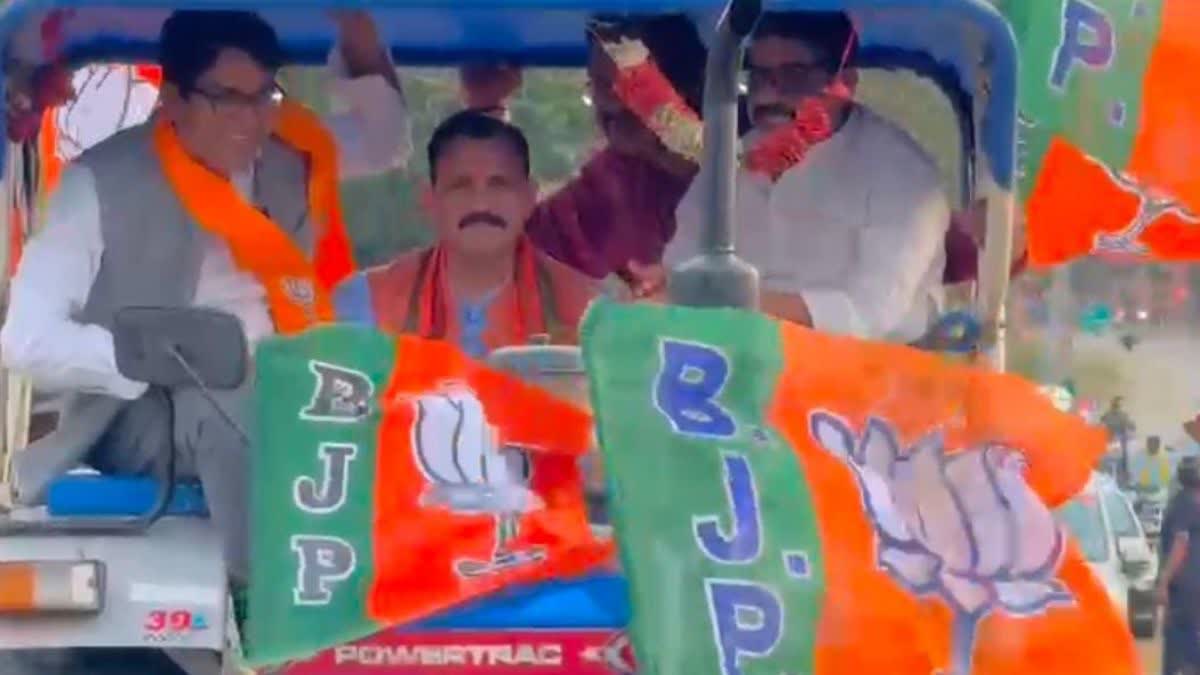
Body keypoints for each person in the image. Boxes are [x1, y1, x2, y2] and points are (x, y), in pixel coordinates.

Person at [0, 10, 411, 583]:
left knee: (403, 399)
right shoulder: (100, 182)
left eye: (262, 96)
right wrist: (149, 357)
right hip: (142, 409)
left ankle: (420, 607)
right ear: (172, 97)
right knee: (231, 406)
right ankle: (269, 601)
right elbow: (25, 339)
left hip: (288, 382)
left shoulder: (289, 153)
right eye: (225, 99)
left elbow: (383, 140)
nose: (248, 119)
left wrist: (358, 22)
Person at [653, 11, 949, 342]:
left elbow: (870, 314)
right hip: (739, 367)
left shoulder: (902, 174)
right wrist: (661, 288)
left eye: (794, 75)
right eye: (760, 77)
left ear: (845, 84)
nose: (768, 96)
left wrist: (726, 302)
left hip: (881, 373)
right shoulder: (728, 162)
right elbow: (680, 265)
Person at [334, 110, 599, 354]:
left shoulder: (588, 311)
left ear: (529, 198)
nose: (480, 203)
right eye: (460, 186)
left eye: (499, 184)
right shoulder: (365, 302)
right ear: (430, 200)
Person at [521, 15, 706, 282]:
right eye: (598, 85)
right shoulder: (605, 184)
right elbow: (512, 247)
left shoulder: (749, 169)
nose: (608, 102)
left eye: (627, 82)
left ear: (685, 87)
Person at [1159, 456, 1200, 675]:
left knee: (1179, 645)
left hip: (1184, 587)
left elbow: (1180, 544)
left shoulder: (1183, 503)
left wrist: (1164, 581)